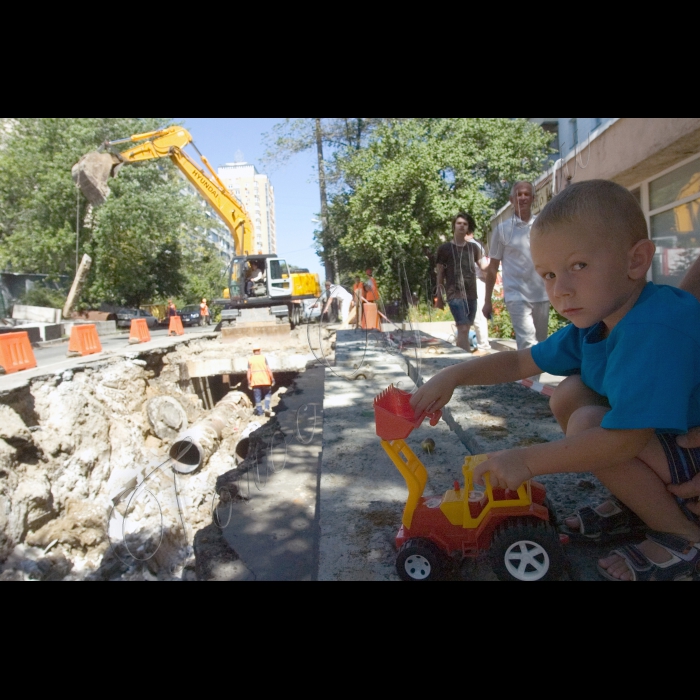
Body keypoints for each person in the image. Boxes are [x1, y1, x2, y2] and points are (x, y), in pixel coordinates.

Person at [411, 179, 700, 581]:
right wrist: (454, 374)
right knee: (571, 393)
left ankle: (682, 535)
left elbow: (624, 440)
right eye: (547, 274)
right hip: (669, 444)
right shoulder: (596, 323)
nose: (560, 290)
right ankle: (639, 502)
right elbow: (518, 363)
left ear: (636, 261)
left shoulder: (653, 327)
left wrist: (527, 460)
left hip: (688, 450)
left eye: (578, 266)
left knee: (586, 422)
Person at [483, 182, 550, 352]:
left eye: (527, 194)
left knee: (540, 344)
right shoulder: (502, 230)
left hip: (541, 294)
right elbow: (492, 268)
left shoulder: (542, 227)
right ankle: (530, 380)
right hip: (516, 295)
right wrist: (487, 300)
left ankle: (531, 379)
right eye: (519, 194)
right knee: (528, 342)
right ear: (511, 199)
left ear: (533, 198)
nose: (523, 198)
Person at [435, 212, 490, 354]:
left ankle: (460, 360)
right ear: (454, 226)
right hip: (454, 294)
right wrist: (439, 297)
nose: (462, 226)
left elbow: (484, 267)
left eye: (465, 224)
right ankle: (464, 362)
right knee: (463, 328)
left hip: (471, 294)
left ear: (468, 228)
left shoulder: (474, 248)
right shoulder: (444, 249)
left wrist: (498, 262)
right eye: (459, 223)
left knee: (466, 329)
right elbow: (440, 273)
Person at [466, 228, 492, 355]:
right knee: (474, 316)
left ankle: (483, 347)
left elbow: (484, 268)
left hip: (477, 282)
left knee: (478, 317)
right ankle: (481, 345)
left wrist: (489, 286)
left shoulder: (473, 246)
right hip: (472, 282)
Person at [247, 346, 275, 417]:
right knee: (267, 394)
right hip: (265, 380)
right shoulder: (263, 358)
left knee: (257, 397)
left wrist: (249, 382)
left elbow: (249, 372)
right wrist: (272, 379)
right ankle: (266, 408)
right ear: (259, 350)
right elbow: (268, 369)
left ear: (253, 351)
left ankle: (260, 412)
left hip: (255, 381)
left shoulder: (250, 359)